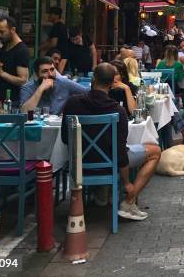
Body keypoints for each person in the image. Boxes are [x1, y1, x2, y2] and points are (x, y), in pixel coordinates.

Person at [61, 63, 161, 220]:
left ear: (93, 79)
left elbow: (65, 138)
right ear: (111, 84)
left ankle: (101, 194)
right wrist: (127, 182)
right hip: (110, 160)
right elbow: (120, 151)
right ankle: (129, 201)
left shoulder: (72, 103)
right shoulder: (117, 110)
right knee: (155, 151)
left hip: (80, 161)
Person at [20, 57, 88, 115]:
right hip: (35, 127)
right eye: (45, 71)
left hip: (58, 126)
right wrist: (40, 89)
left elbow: (89, 92)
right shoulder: (27, 88)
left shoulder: (63, 83)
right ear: (37, 74)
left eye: (52, 70)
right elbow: (24, 112)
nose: (50, 74)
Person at [0, 15, 29, 104]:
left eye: (2, 32)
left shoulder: (21, 50)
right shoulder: (6, 45)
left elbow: (22, 80)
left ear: (13, 30)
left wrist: (1, 73)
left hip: (12, 102)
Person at [40, 7, 69, 72]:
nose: (49, 16)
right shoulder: (63, 26)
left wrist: (40, 47)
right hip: (64, 57)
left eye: (51, 14)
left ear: (56, 16)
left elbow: (53, 43)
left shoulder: (56, 27)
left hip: (58, 57)